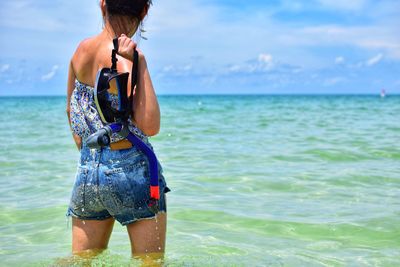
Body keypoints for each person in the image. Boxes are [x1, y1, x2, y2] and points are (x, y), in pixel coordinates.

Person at [65, 0, 171, 264]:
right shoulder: (128, 61)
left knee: (81, 261)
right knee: (149, 262)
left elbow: (71, 110)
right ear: (145, 10)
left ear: (103, 4)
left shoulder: (81, 50)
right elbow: (150, 126)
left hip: (88, 172)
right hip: (132, 172)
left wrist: (94, 159)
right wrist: (141, 63)